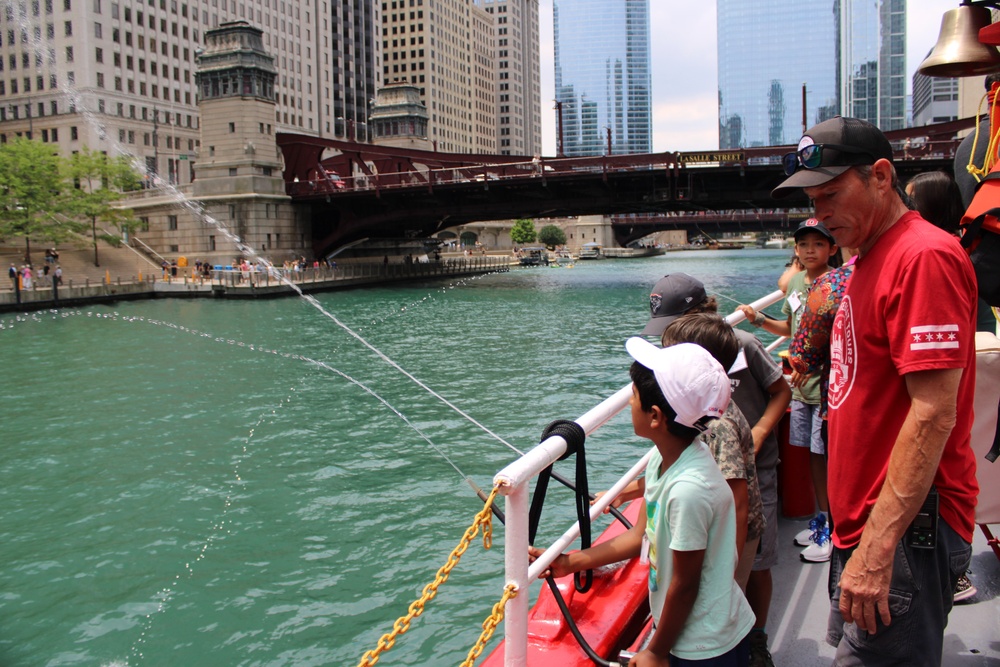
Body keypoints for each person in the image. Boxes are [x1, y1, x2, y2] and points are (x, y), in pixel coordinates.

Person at [773, 115, 979, 665]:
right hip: (864, 523)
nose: (820, 215)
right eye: (813, 201)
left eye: (833, 195)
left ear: (882, 177)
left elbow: (934, 412)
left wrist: (878, 547)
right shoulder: (866, 259)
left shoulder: (922, 258)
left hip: (904, 530)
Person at [530, 340, 755, 666]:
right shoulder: (665, 461)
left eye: (633, 396)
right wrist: (570, 562)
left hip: (706, 644)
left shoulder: (688, 491)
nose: (628, 402)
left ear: (655, 417)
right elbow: (640, 537)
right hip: (692, 629)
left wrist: (656, 651)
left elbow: (685, 583)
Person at [640, 273, 790, 667]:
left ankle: (756, 638)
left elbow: (739, 507)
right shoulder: (688, 382)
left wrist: (758, 433)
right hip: (718, 481)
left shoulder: (739, 347)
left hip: (752, 475)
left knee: (757, 565)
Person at [599, 312, 764, 592]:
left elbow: (737, 502)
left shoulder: (717, 427)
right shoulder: (699, 419)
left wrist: (726, 576)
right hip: (713, 528)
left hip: (729, 537)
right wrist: (626, 490)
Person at [739, 219, 840, 564]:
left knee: (824, 456)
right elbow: (791, 326)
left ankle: (831, 530)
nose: (811, 250)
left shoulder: (838, 283)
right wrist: (758, 320)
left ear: (833, 249)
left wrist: (812, 365)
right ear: (796, 251)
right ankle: (822, 522)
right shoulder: (796, 282)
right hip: (800, 388)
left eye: (818, 244)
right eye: (804, 245)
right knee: (810, 456)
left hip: (825, 387)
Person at [905, 170, 979, 602]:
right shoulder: (944, 255)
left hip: (934, 489)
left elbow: (932, 409)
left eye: (911, 205)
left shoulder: (933, 259)